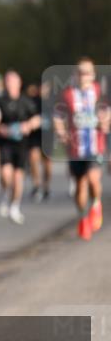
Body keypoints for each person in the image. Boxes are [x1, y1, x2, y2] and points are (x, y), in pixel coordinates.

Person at [54, 57, 108, 240]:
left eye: (88, 72)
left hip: (95, 146)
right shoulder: (67, 94)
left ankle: (96, 204)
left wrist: (105, 122)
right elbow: (58, 116)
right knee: (80, 185)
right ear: (75, 74)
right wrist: (62, 133)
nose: (84, 76)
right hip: (75, 149)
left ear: (93, 75)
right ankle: (83, 217)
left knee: (93, 179)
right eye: (81, 72)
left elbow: (107, 113)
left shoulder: (99, 92)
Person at [0, 70, 40, 225]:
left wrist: (28, 125)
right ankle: (5, 193)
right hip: (5, 143)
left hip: (22, 144)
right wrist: (1, 129)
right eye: (8, 81)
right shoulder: (0, 101)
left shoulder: (26, 101)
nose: (10, 84)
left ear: (19, 83)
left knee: (17, 177)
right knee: (6, 174)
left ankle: (14, 206)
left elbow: (37, 119)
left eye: (13, 81)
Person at [25, 82, 51, 201]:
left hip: (48, 136)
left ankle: (46, 185)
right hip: (35, 136)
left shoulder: (53, 102)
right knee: (33, 158)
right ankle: (36, 185)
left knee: (47, 164)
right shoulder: (33, 101)